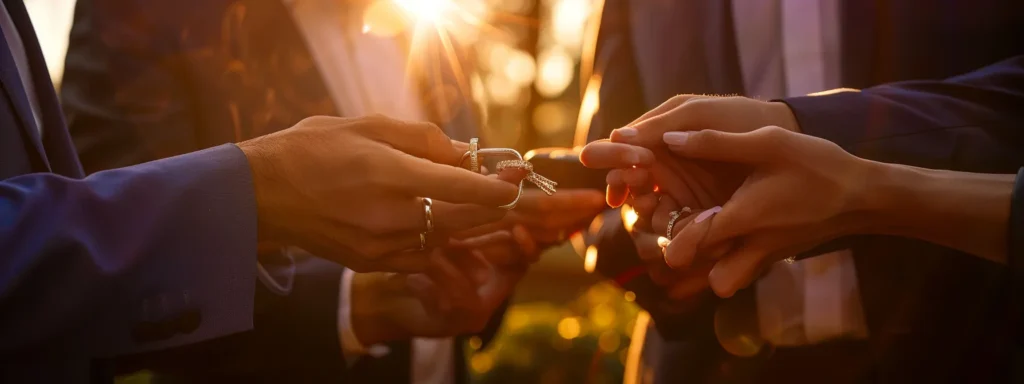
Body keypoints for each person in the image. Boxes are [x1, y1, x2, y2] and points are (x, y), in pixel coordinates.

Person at [58, 0, 607, 382]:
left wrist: (495, 247)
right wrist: (350, 308)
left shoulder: (431, 27)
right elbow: (114, 269)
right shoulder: (142, 13)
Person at [583, 54, 1024, 382]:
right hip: (710, 365)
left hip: (965, 348)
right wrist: (649, 233)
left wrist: (806, 128)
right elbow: (598, 196)